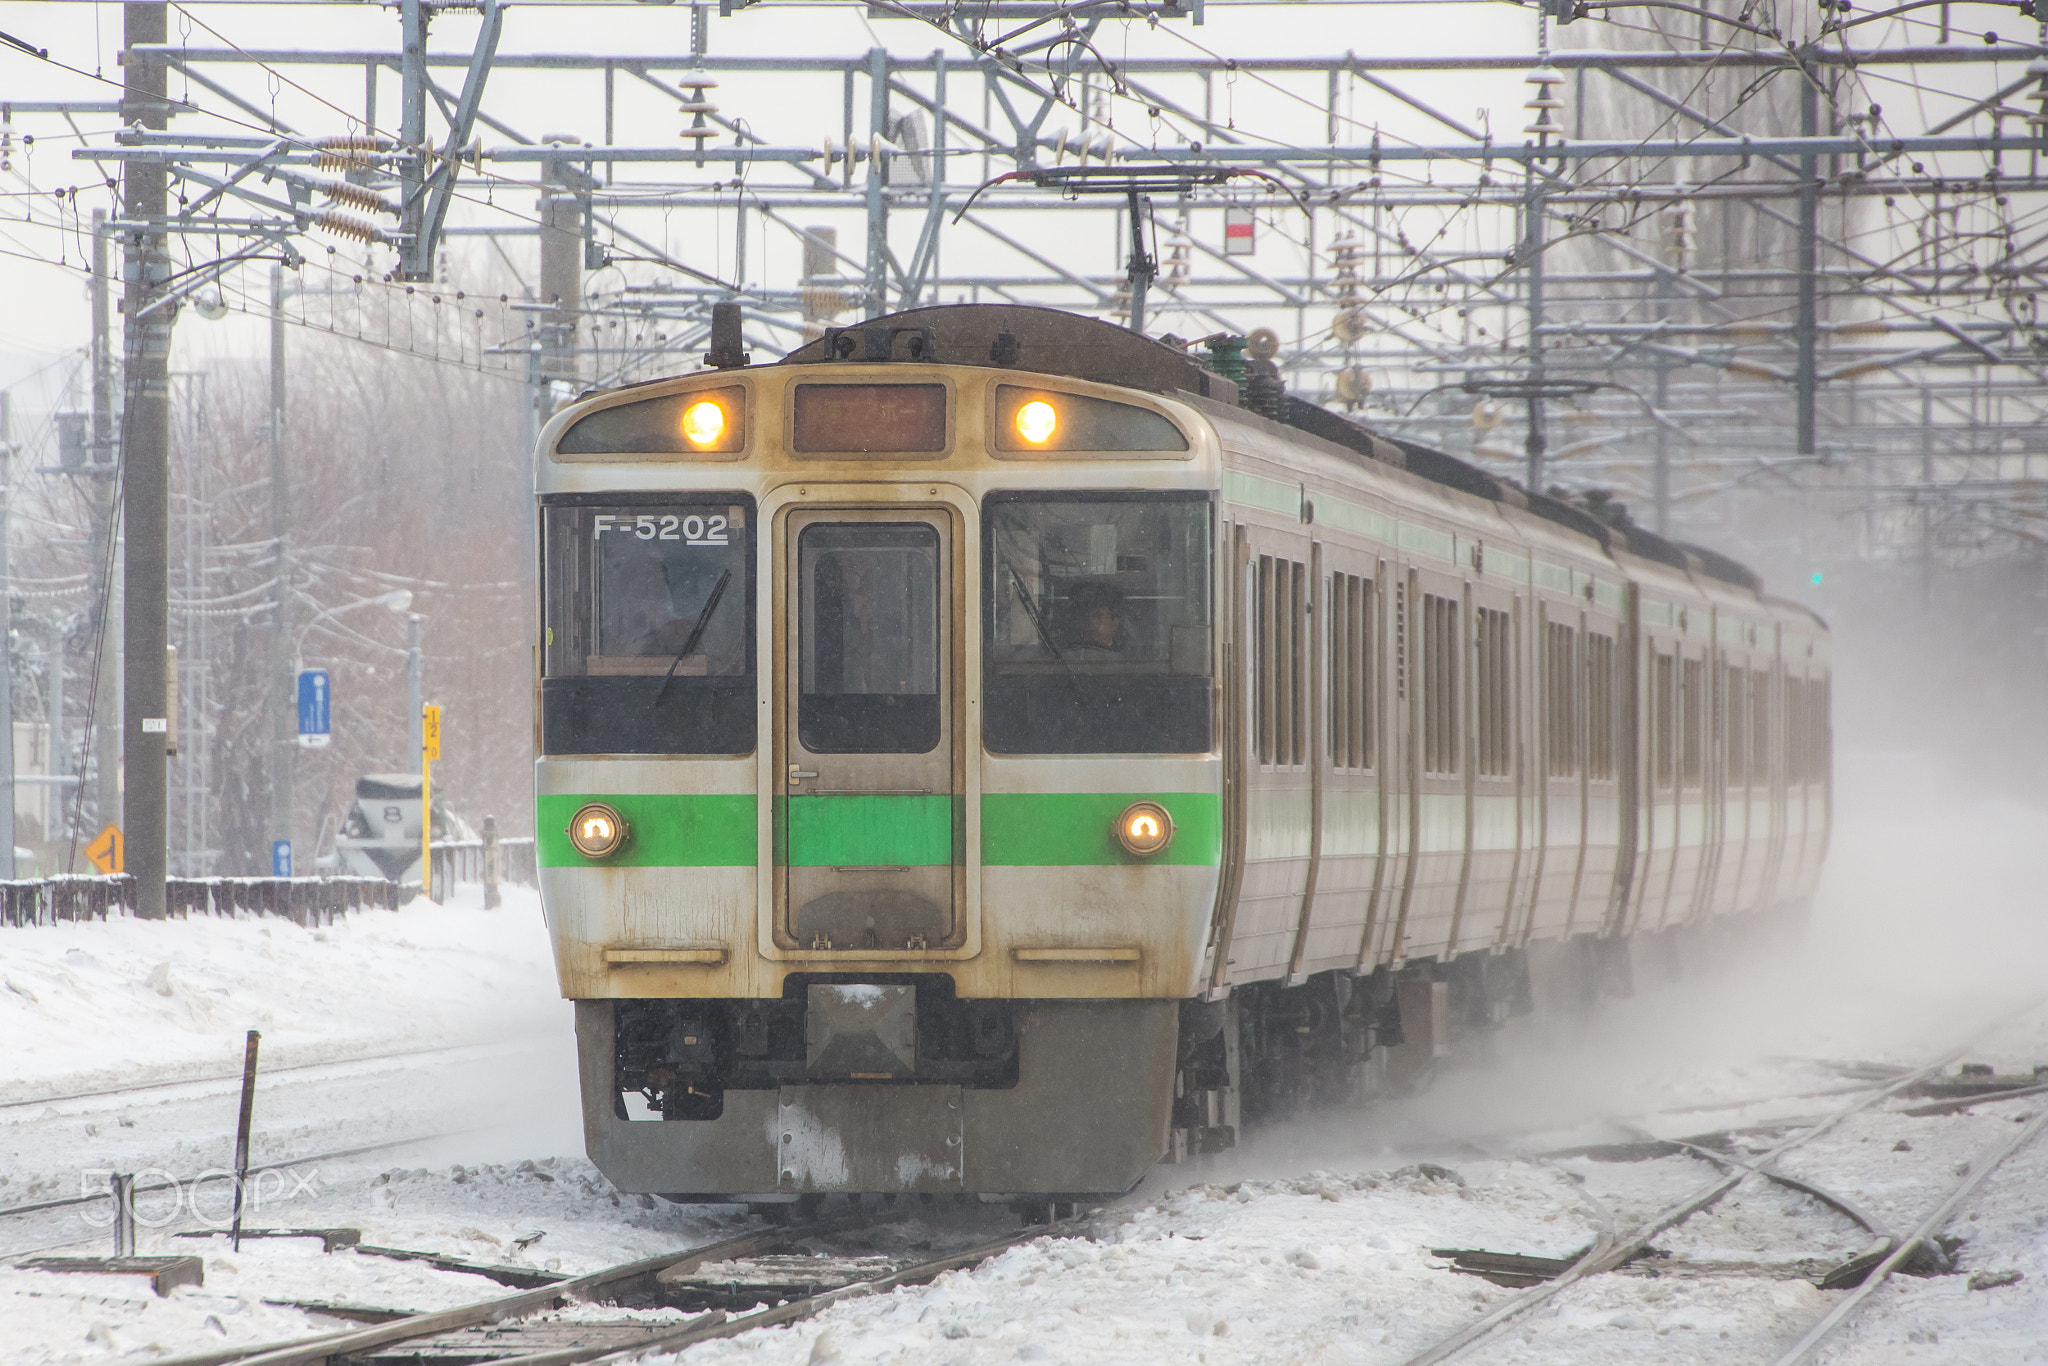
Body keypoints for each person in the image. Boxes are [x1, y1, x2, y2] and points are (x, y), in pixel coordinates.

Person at [1061, 579, 1127, 654]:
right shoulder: (1059, 657)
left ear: (1115, 621)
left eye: (1098, 616)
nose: (1090, 622)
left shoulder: (1132, 659)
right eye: (1084, 616)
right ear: (1074, 621)